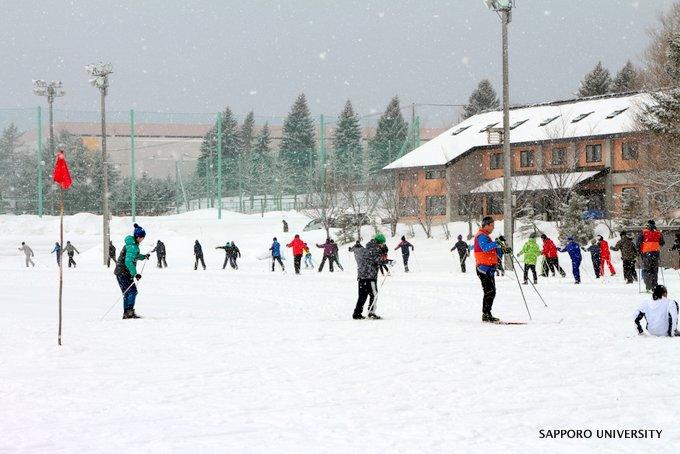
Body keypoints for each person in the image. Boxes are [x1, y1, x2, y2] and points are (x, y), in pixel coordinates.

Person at [113, 223, 150, 319]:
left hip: (120, 272)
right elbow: (128, 261)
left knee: (127, 293)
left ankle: (127, 313)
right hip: (124, 272)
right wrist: (135, 274)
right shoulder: (132, 246)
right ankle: (129, 313)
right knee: (132, 291)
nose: (143, 239)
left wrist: (143, 256)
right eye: (142, 237)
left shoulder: (132, 245)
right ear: (138, 237)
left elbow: (134, 256)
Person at [474, 216, 503, 322]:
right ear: (487, 225)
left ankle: (487, 314)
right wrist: (497, 242)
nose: (493, 228)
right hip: (483, 269)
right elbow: (485, 248)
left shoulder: (485, 236)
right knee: (489, 291)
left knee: (491, 291)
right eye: (492, 226)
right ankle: (486, 314)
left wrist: (502, 249)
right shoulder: (481, 235)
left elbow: (492, 250)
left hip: (488, 269)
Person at [350, 234, 385, 320]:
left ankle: (357, 313)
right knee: (374, 294)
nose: (382, 245)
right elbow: (377, 260)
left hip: (362, 276)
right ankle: (371, 313)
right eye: (382, 243)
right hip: (370, 276)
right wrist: (387, 261)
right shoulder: (375, 249)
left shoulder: (367, 248)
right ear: (379, 242)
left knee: (362, 296)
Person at [637, 220, 665, 292]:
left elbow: (638, 243)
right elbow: (662, 243)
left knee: (647, 270)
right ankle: (654, 286)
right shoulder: (658, 233)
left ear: (648, 225)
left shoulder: (643, 232)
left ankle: (649, 286)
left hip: (646, 254)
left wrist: (639, 251)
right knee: (654, 271)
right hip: (655, 254)